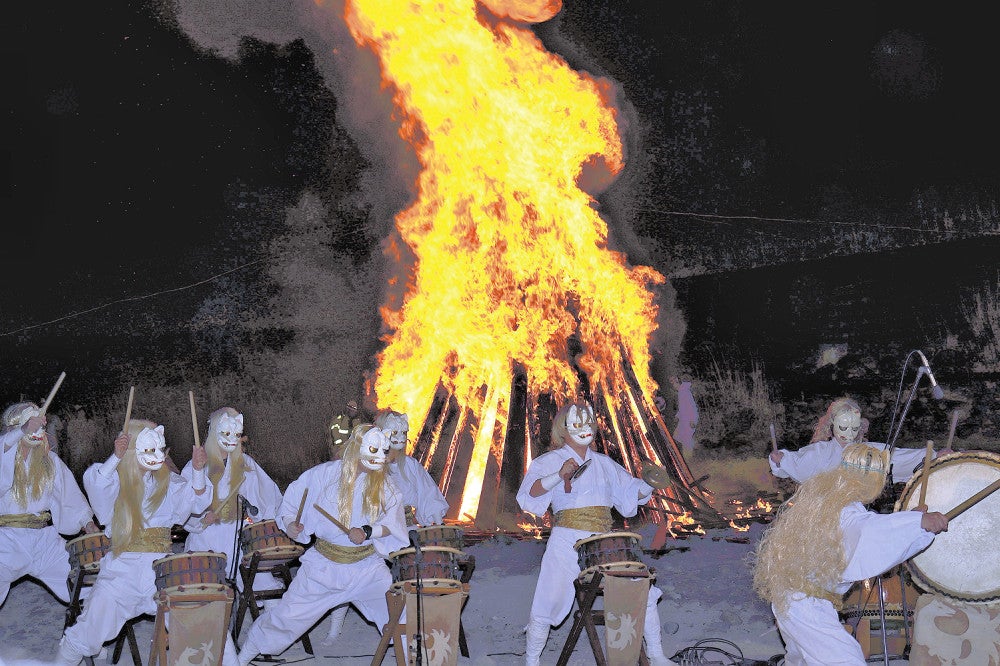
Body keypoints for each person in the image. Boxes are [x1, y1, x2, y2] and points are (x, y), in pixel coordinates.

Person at [56, 418, 238, 665]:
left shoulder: (168, 482)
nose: (157, 455)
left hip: (163, 571)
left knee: (203, 621)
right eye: (150, 448)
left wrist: (197, 470)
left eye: (159, 448)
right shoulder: (114, 479)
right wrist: (116, 457)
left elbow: (196, 502)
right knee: (87, 632)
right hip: (121, 571)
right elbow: (97, 484)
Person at [752, 442, 949, 664]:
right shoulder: (847, 509)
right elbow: (869, 531)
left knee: (802, 661)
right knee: (847, 660)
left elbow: (863, 527)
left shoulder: (827, 497)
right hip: (807, 605)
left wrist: (911, 520)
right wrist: (919, 523)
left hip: (791, 598)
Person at [516, 401, 678, 666]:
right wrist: (558, 475)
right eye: (577, 424)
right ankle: (532, 661)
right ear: (563, 430)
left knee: (641, 588)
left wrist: (646, 486)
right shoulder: (548, 461)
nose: (585, 429)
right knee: (548, 597)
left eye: (589, 423)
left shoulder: (603, 463)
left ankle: (656, 654)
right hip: (566, 539)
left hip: (603, 542)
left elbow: (628, 491)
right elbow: (529, 495)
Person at [237, 425, 407, 664]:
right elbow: (290, 505)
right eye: (373, 450)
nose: (380, 457)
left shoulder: (384, 483)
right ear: (357, 448)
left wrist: (369, 531)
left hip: (367, 569)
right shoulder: (323, 475)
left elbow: (395, 521)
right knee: (286, 618)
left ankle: (411, 659)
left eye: (383, 451)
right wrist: (290, 525)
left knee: (399, 617)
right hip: (323, 569)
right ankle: (241, 658)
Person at [323, 408, 449, 644]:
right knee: (350, 567)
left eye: (403, 432)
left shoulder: (410, 466)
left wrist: (433, 523)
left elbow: (429, 497)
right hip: (370, 531)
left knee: (425, 562)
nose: (399, 438)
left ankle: (422, 624)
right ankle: (335, 626)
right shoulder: (368, 466)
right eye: (394, 432)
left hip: (405, 532)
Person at [1, 402, 99, 608]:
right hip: (7, 541)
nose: (37, 430)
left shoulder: (50, 461)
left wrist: (87, 523)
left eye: (40, 426)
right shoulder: (4, 452)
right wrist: (21, 431)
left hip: (45, 541)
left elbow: (69, 496)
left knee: (88, 583)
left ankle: (84, 634)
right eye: (30, 425)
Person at [181, 407, 283, 593]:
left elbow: (268, 495)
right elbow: (183, 502)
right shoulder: (197, 466)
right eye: (226, 433)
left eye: (236, 433)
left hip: (239, 536)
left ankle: (267, 621)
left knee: (264, 587)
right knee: (206, 591)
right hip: (206, 537)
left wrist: (262, 519)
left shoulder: (246, 463)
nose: (231, 438)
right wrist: (201, 519)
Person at [768, 397, 942, 484]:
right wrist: (780, 460)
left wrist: (934, 456)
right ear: (832, 425)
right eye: (843, 428)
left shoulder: (868, 451)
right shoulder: (820, 451)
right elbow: (797, 466)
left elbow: (897, 457)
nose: (849, 434)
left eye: (854, 428)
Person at [669, 376, 698, 454]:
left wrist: (692, 420)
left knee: (686, 438)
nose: (673, 386)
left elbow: (691, 405)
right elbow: (682, 408)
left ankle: (689, 455)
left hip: (689, 419)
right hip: (684, 419)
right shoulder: (681, 392)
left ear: (677, 383)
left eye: (673, 384)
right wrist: (677, 416)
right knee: (678, 436)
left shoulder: (685, 391)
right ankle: (688, 453)